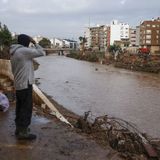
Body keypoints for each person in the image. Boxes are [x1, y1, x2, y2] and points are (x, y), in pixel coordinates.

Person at [10, 34, 46, 140]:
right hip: (25, 84)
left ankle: (19, 129)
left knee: (20, 107)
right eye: (29, 42)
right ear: (26, 42)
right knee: (26, 108)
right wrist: (35, 42)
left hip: (19, 83)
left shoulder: (14, 51)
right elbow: (41, 52)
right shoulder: (23, 51)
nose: (29, 43)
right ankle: (23, 132)